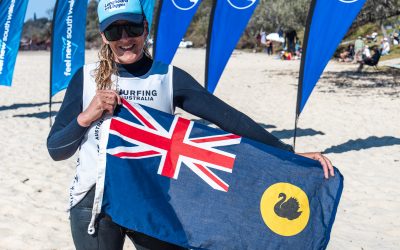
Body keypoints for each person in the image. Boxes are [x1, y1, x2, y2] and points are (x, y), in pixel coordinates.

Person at [47, 0, 334, 249]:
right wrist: (87, 116)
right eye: (114, 30)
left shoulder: (168, 78)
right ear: (103, 36)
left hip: (152, 199)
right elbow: (56, 149)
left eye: (132, 28)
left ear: (145, 28)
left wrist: (287, 154)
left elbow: (228, 119)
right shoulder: (86, 78)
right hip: (94, 203)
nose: (125, 38)